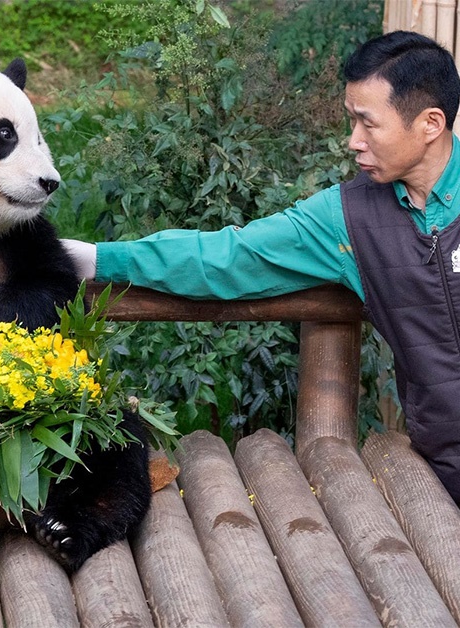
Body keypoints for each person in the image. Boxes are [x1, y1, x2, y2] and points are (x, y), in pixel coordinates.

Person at [61, 30, 460, 505]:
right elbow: (229, 258)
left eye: (368, 124)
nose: (353, 141)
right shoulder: (348, 218)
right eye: (351, 120)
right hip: (446, 472)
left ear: (430, 123)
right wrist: (95, 258)